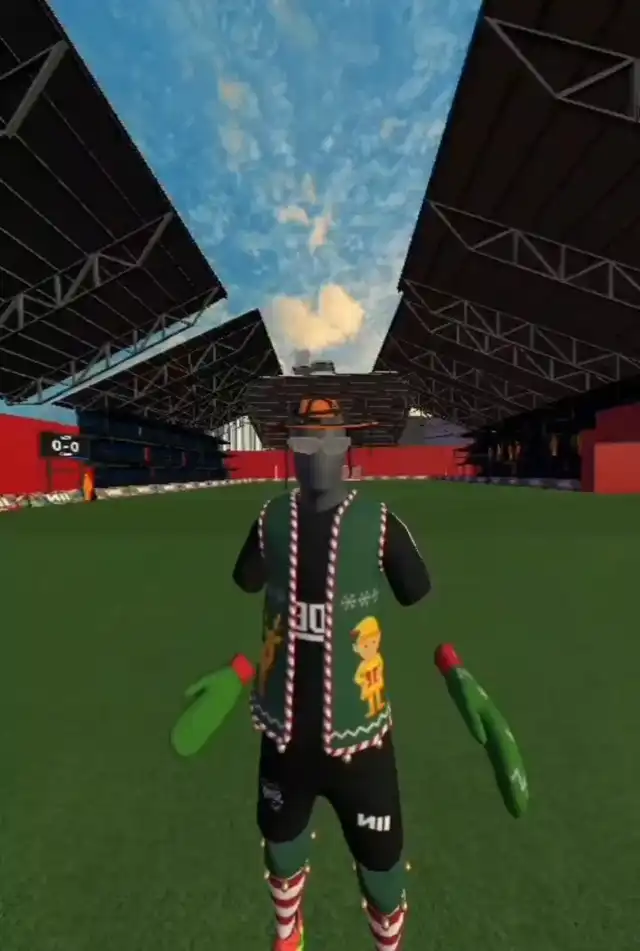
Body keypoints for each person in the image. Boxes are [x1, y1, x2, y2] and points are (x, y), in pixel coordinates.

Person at [232, 396, 432, 951]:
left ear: (345, 448)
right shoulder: (270, 519)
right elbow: (246, 579)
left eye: (327, 440)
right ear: (292, 451)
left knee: (382, 866)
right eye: (304, 441)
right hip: (285, 734)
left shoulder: (378, 520)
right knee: (281, 847)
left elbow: (415, 587)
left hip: (360, 738)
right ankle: (288, 935)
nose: (316, 453)